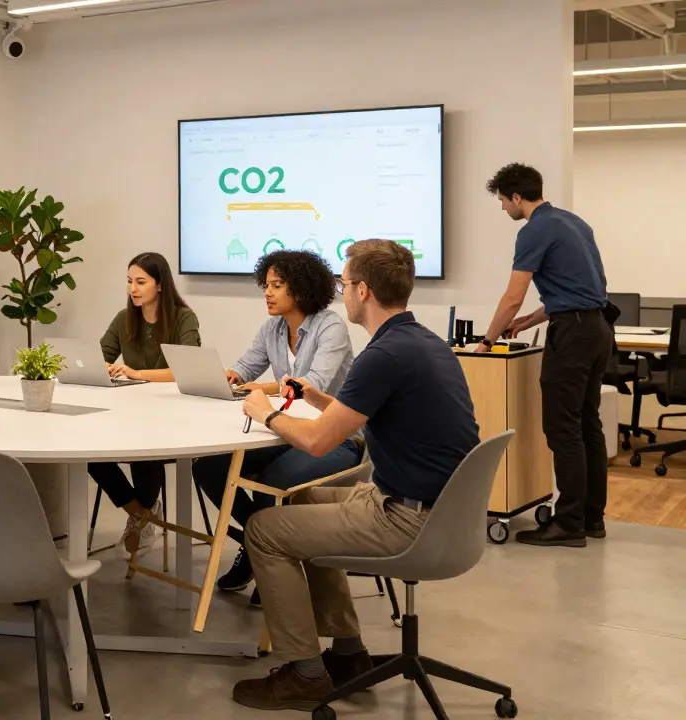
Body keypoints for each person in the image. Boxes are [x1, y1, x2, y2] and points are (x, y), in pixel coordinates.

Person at [230, 240, 479, 711]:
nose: (340, 291)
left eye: (343, 283)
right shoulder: (421, 342)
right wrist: (321, 400)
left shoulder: (382, 356)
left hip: (409, 520)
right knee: (299, 502)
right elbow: (368, 416)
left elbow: (317, 442)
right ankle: (348, 653)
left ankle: (304, 673)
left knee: (263, 530)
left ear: (363, 290)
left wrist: (266, 413)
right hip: (437, 510)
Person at [193, 250, 359, 606]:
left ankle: (267, 560)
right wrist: (230, 377)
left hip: (336, 437)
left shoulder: (331, 327)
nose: (267, 293)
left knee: (271, 482)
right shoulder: (273, 328)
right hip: (288, 431)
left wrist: (261, 389)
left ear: (300, 288)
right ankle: (259, 544)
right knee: (207, 467)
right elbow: (245, 368)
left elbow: (312, 385)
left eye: (277, 285)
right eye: (266, 285)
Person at [477, 163, 612, 547]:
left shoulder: (533, 230)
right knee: (587, 424)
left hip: (572, 336)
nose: (503, 208)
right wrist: (530, 320)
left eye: (503, 201)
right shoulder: (575, 223)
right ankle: (591, 518)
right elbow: (583, 290)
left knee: (562, 428)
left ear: (517, 197)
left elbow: (512, 296)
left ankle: (568, 524)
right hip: (597, 328)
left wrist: (487, 341)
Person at [91, 251, 201, 557]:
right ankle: (141, 513)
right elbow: (99, 358)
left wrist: (137, 373)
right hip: (128, 413)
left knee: (145, 451)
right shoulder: (124, 318)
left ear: (160, 284)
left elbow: (187, 370)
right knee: (88, 451)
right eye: (129, 281)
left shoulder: (183, 318)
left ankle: (142, 515)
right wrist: (102, 367)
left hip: (171, 417)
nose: (133, 289)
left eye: (141, 282)